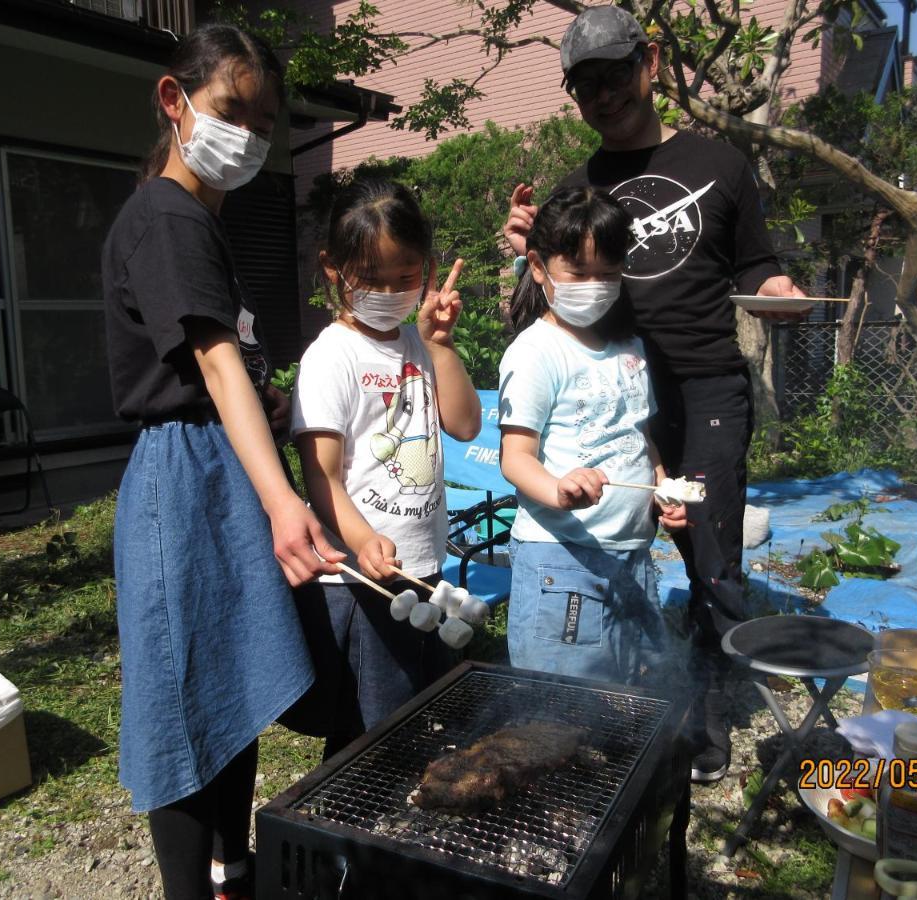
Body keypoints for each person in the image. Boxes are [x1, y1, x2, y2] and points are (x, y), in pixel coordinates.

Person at [502, 5, 806, 784]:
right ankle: (616, 702)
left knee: (708, 555)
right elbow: (536, 311)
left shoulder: (718, 164)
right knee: (616, 540)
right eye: (583, 86)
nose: (600, 96)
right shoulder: (578, 187)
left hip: (704, 390)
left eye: (612, 75)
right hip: (614, 394)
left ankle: (702, 724)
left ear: (652, 62)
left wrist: (774, 286)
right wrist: (520, 257)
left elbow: (754, 265)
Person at [100, 25, 344, 900]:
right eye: (231, 110)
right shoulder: (167, 215)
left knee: (229, 676)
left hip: (220, 462)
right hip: (185, 479)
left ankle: (231, 865)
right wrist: (285, 501)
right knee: (181, 695)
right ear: (176, 101)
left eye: (264, 121)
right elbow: (208, 363)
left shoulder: (199, 217)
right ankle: (188, 888)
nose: (248, 135)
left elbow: (227, 368)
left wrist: (267, 405)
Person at [289, 178, 481, 758]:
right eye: (371, 280)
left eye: (407, 278)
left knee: (415, 707)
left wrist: (441, 343)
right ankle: (351, 840)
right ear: (333, 268)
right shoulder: (332, 356)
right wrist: (363, 538)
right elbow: (320, 474)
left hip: (421, 564)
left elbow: (467, 425)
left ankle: (393, 817)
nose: (391, 292)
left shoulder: (416, 343)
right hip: (361, 578)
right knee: (370, 730)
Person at [497, 186, 687, 685]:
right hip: (561, 557)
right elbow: (515, 459)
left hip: (632, 552)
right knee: (560, 704)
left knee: (623, 689)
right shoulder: (535, 352)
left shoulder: (629, 345)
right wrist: (558, 491)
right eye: (579, 273)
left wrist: (663, 487)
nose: (595, 286)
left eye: (608, 273)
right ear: (538, 267)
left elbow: (638, 431)